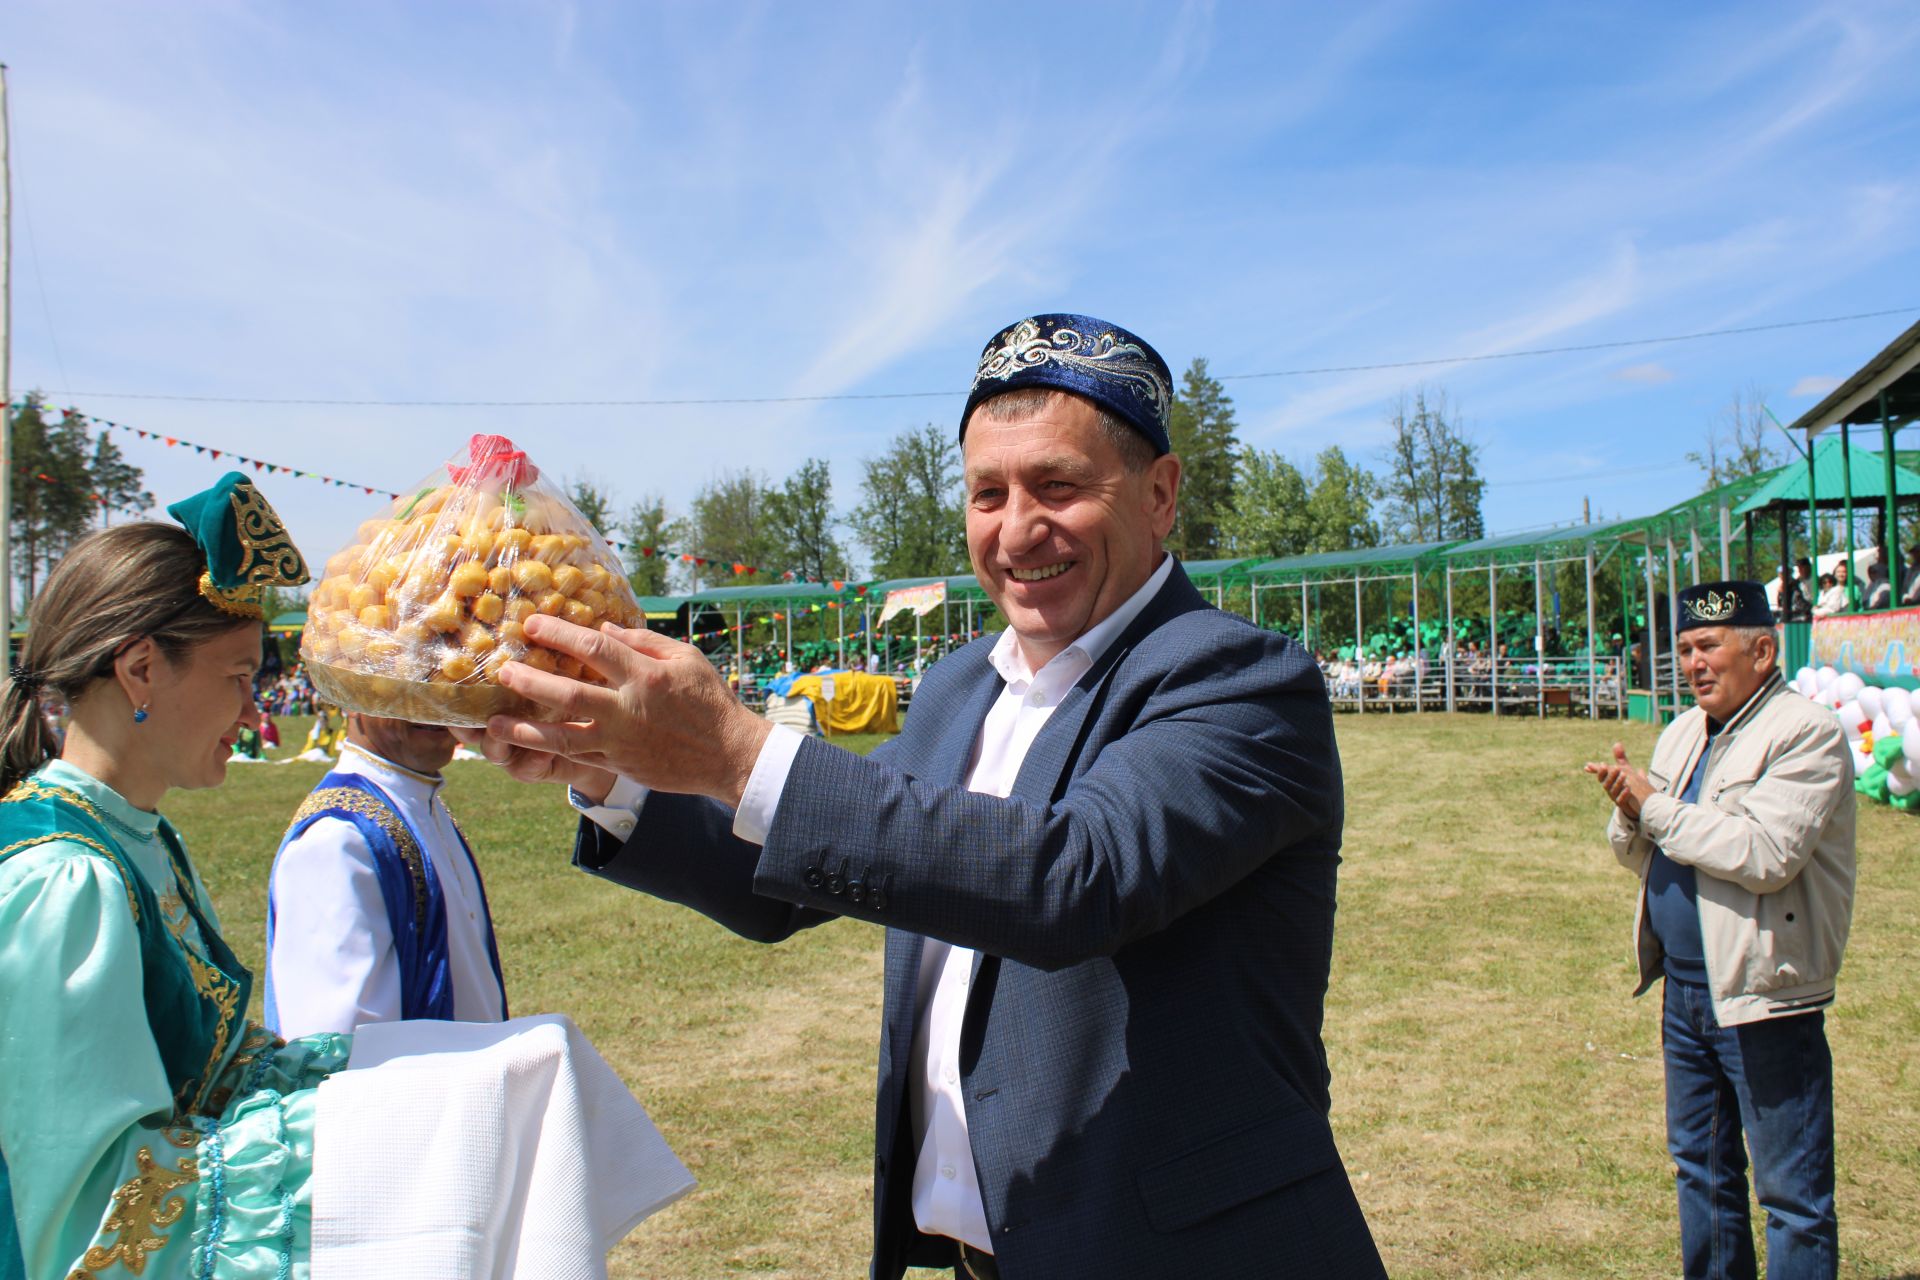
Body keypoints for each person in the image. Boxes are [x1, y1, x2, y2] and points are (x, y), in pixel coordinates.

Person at [464, 312, 1384, 1279]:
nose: (1018, 529)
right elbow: (789, 875)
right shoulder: (958, 689)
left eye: (1059, 486)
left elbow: (1075, 877)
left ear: (1160, 494)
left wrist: (738, 750)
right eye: (988, 492)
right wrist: (607, 769)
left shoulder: (1238, 680)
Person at [0, 474, 354, 1278]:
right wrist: (352, 1142)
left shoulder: (138, 837)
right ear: (140, 670)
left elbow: (204, 1067)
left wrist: (374, 1080)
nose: (250, 708)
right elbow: (95, 1217)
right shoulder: (67, 877)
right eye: (237, 676)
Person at [1585, 580, 1855, 1279]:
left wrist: (1656, 809)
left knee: (1792, 1198)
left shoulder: (1806, 732)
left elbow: (1764, 854)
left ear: (1763, 651)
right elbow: (1640, 851)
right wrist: (1628, 807)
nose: (1693, 663)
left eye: (1710, 646)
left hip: (1765, 998)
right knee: (1701, 1174)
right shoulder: (1681, 731)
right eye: (1683, 649)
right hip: (1686, 992)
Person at [264, 713, 507, 1038]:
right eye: (402, 682)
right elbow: (339, 1051)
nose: (430, 701)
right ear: (353, 693)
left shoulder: (420, 804)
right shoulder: (338, 840)